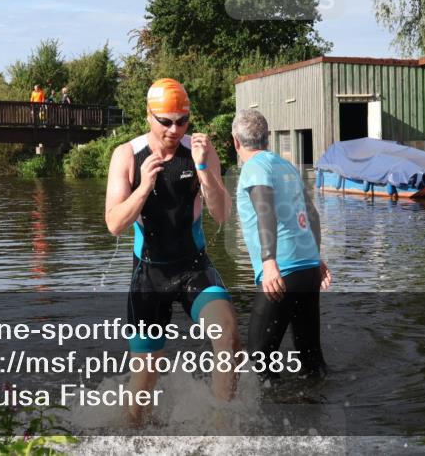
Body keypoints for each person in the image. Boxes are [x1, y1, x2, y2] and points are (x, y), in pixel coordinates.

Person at [104, 78, 239, 423]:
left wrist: (204, 168)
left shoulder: (200, 150)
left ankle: (222, 430)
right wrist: (144, 187)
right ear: (148, 116)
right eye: (166, 121)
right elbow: (114, 224)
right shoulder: (127, 156)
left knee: (228, 336)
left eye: (182, 121)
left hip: (194, 267)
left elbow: (222, 214)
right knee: (142, 388)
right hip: (149, 274)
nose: (175, 129)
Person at [232, 108, 331, 379]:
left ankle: (269, 419)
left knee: (257, 365)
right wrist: (316, 257)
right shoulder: (285, 166)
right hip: (308, 270)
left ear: (236, 142)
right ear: (267, 139)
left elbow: (265, 211)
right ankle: (320, 410)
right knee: (311, 360)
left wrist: (268, 261)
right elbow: (312, 215)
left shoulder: (253, 167)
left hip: (281, 273)